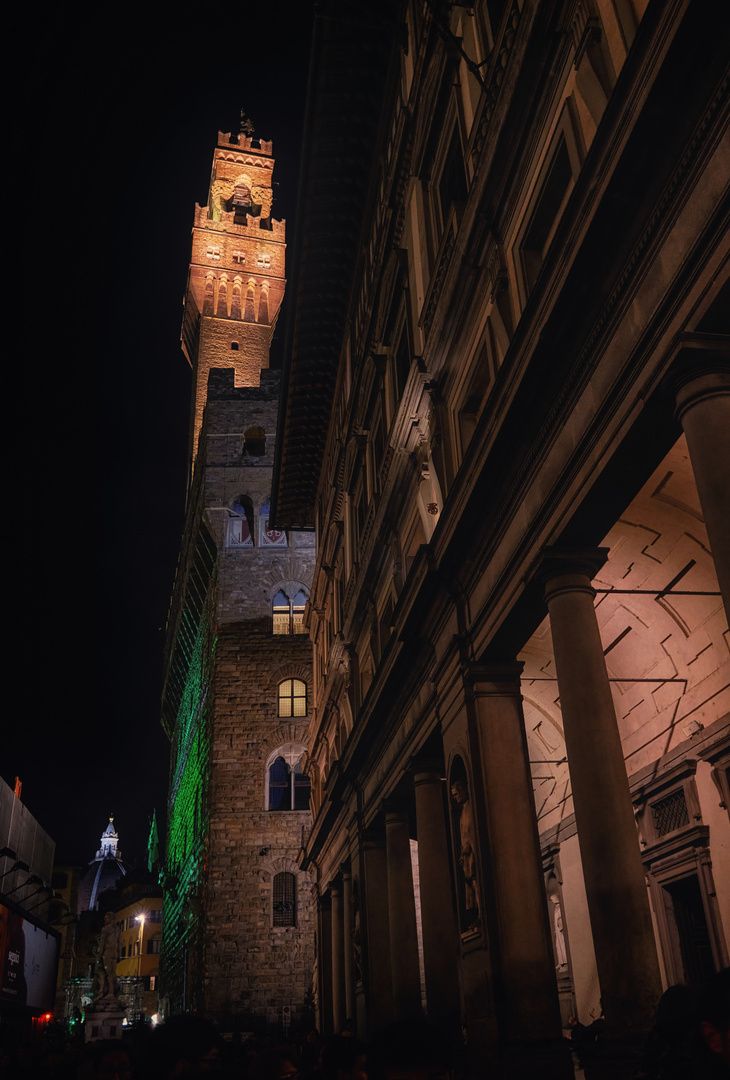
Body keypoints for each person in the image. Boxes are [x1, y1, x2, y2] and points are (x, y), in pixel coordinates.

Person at [450, 780, 479, 928]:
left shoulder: (471, 808)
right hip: (467, 853)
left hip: (472, 852)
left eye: (456, 794)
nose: (455, 798)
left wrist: (467, 849)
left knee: (476, 881)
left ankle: (482, 914)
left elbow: (471, 831)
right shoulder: (463, 810)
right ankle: (478, 914)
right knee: (471, 883)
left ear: (463, 791)